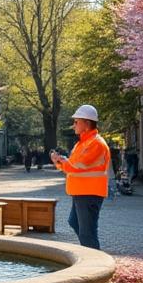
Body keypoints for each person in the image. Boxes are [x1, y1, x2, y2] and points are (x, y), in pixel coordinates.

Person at [50, 104, 111, 249]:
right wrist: (59, 162)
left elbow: (76, 167)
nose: (74, 125)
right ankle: (92, 254)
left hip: (89, 193)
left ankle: (95, 262)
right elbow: (72, 166)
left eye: (76, 122)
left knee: (87, 233)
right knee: (75, 223)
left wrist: (61, 161)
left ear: (87, 123)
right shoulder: (82, 143)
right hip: (81, 192)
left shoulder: (95, 143)